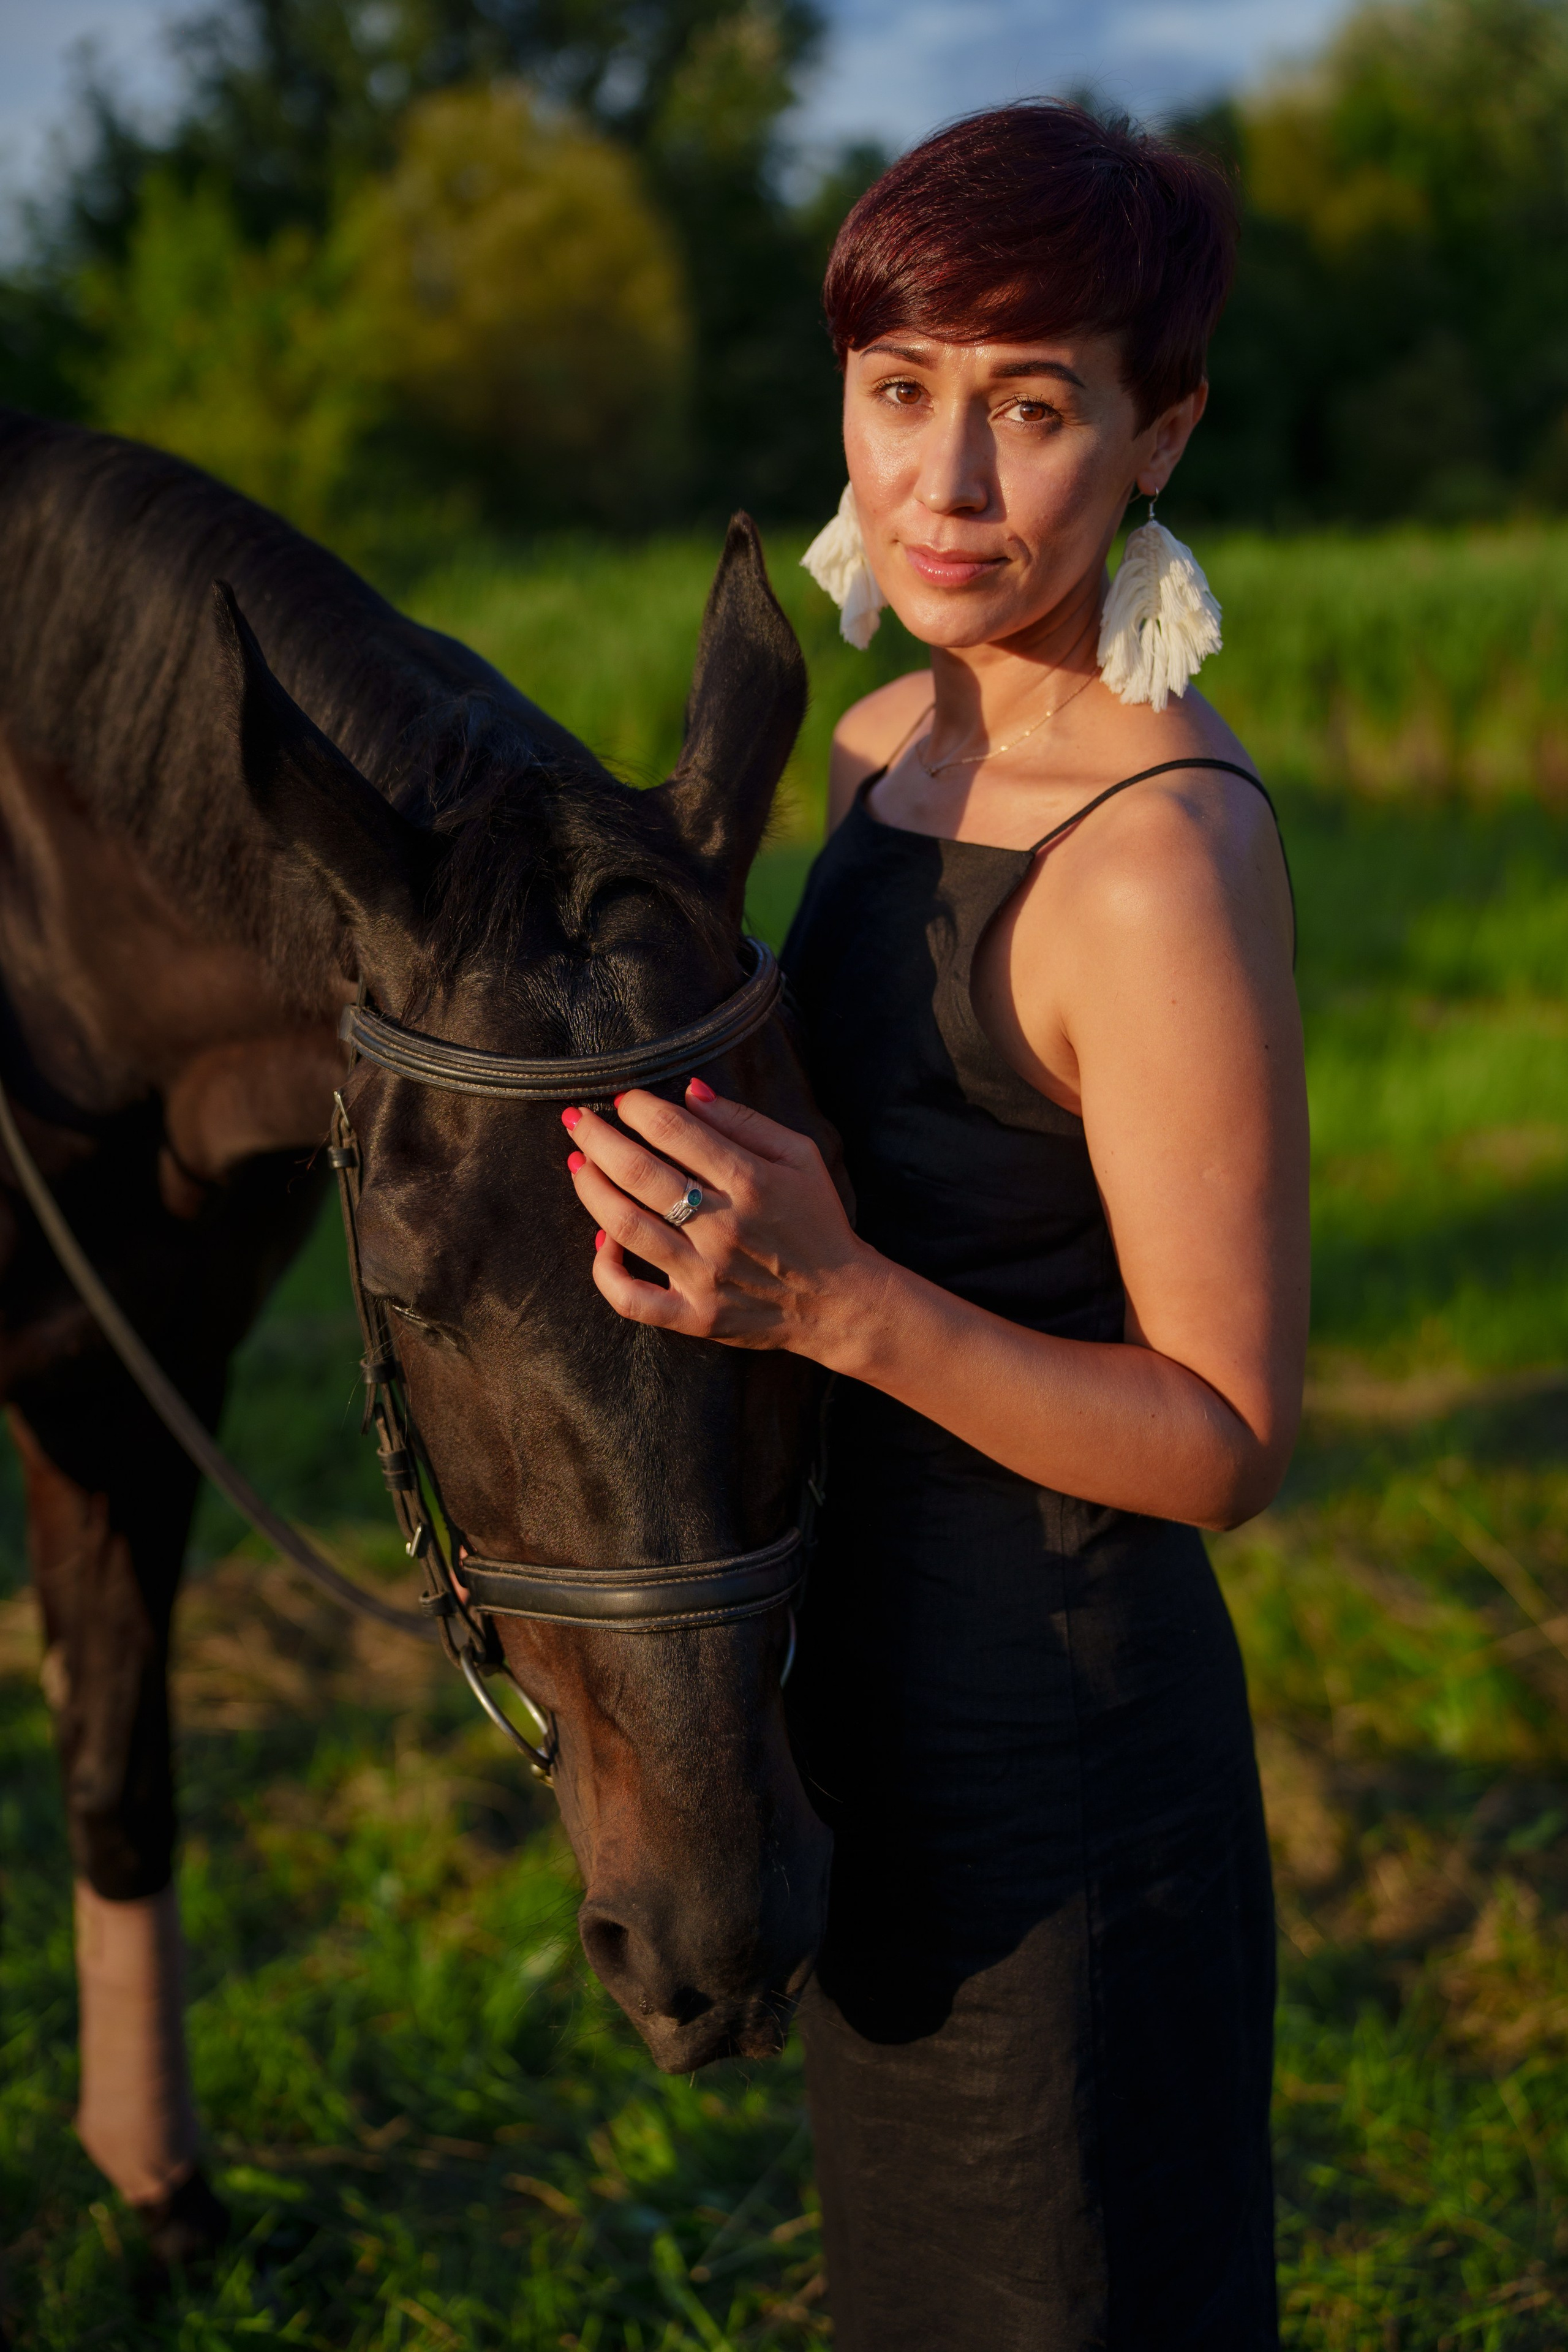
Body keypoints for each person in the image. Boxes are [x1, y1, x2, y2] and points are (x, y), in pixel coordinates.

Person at [560, 100, 1306, 2351]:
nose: (947, 487)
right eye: (903, 395)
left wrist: (840, 1303)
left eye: (1035, 406)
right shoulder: (884, 737)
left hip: (1056, 1755)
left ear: (1157, 433)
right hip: (846, 1710)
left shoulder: (1159, 862)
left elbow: (1223, 1441)